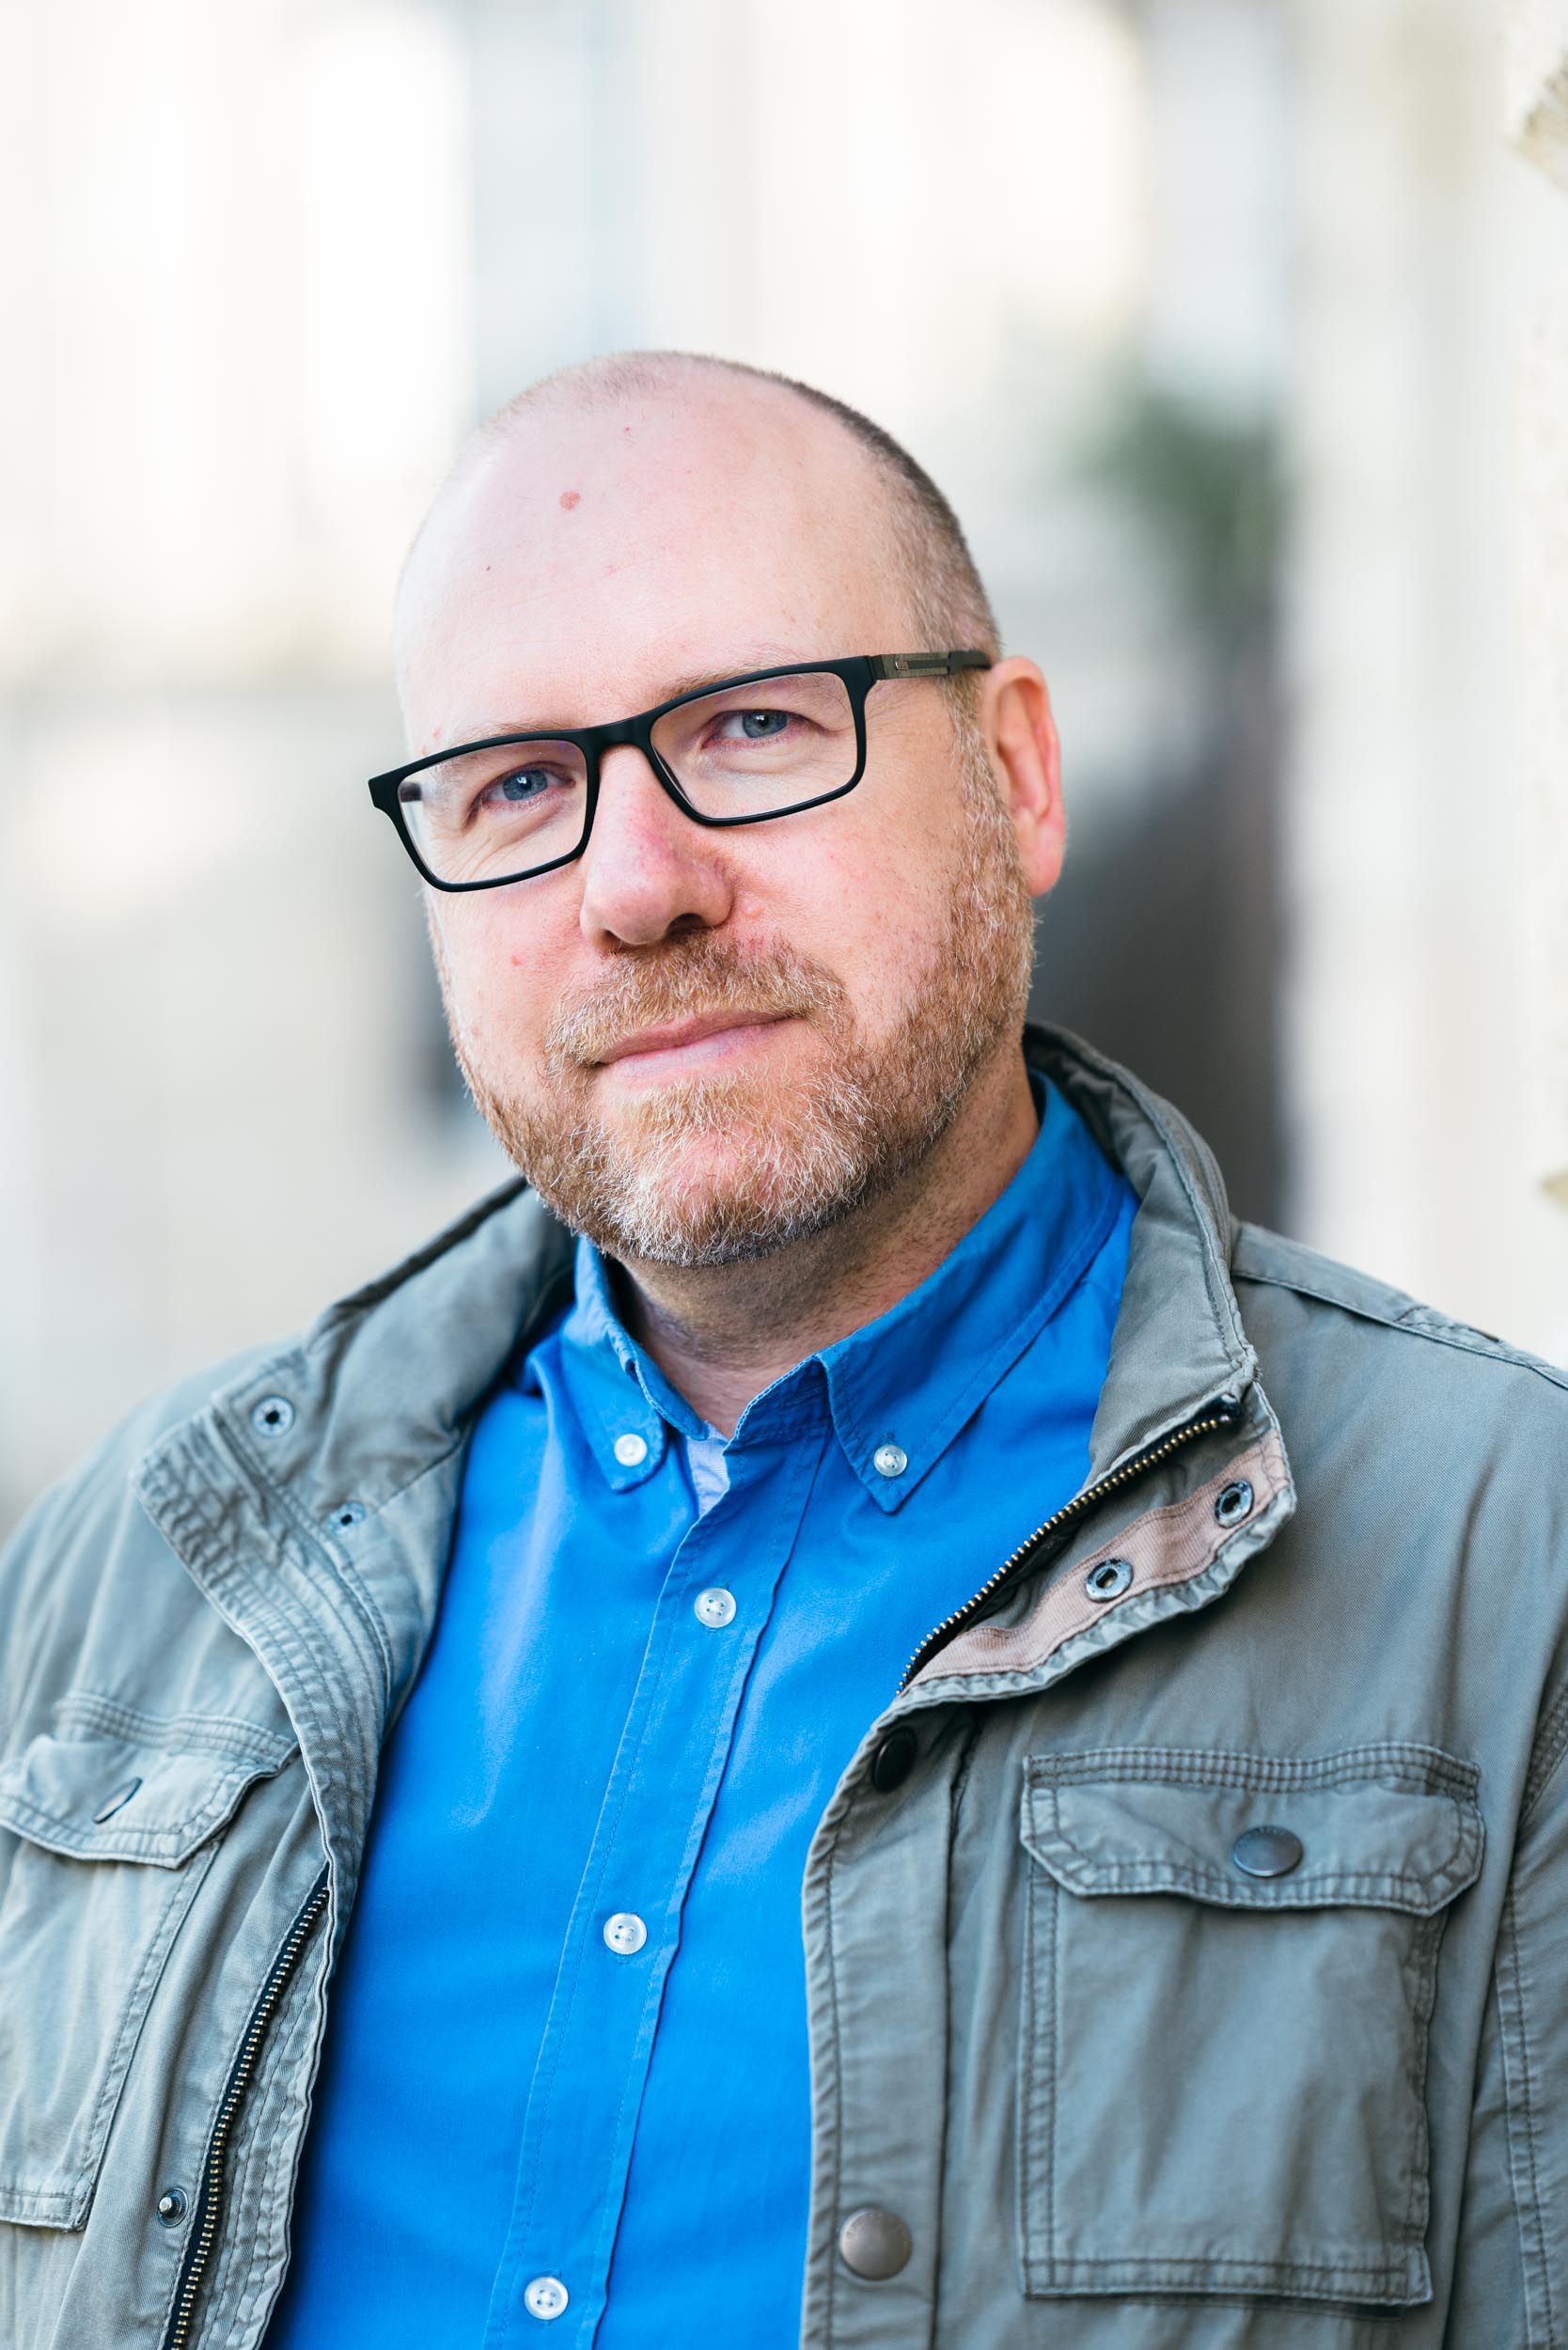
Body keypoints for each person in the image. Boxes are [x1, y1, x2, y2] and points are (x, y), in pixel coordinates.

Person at [1, 351, 1564, 2350]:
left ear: (1017, 773)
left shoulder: (1501, 1564)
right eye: (515, 785)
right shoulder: (129, 1583)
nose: (633, 883)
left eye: (748, 726)